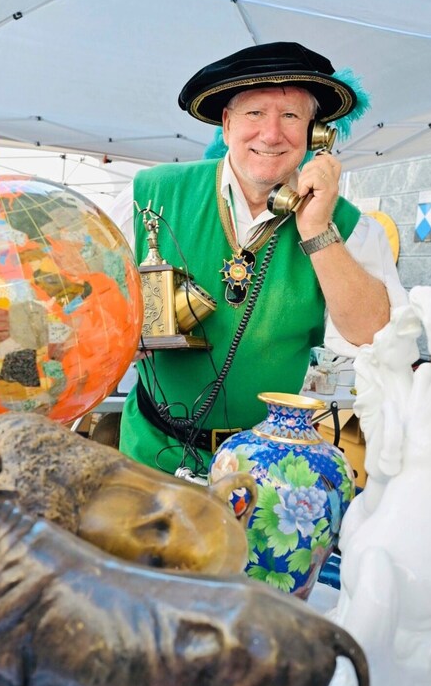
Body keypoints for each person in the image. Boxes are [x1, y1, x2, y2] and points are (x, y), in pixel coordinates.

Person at [109, 42, 406, 476]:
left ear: (316, 134)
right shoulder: (147, 194)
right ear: (227, 125)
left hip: (267, 471)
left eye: (289, 117)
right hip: (150, 454)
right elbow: (85, 303)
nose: (271, 135)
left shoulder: (349, 227)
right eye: (254, 114)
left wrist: (316, 230)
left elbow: (373, 335)